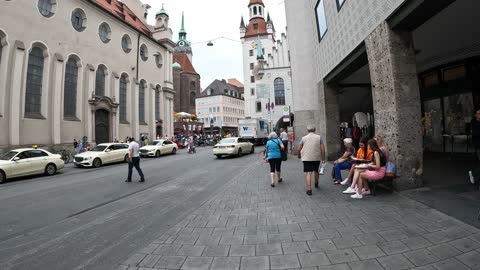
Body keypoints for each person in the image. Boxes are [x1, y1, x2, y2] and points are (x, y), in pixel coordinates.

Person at [297, 125, 326, 195]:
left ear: (307, 130)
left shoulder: (303, 138)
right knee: (316, 170)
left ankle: (309, 189)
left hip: (307, 158)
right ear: (314, 130)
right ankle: (316, 183)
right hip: (316, 157)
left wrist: (299, 155)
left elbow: (298, 149)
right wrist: (323, 159)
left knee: (308, 173)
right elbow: (323, 149)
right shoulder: (319, 137)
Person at [468, 109, 480, 185]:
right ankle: (474, 174)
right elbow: (475, 134)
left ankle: (473, 173)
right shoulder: (474, 123)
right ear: (475, 115)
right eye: (478, 113)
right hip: (479, 146)